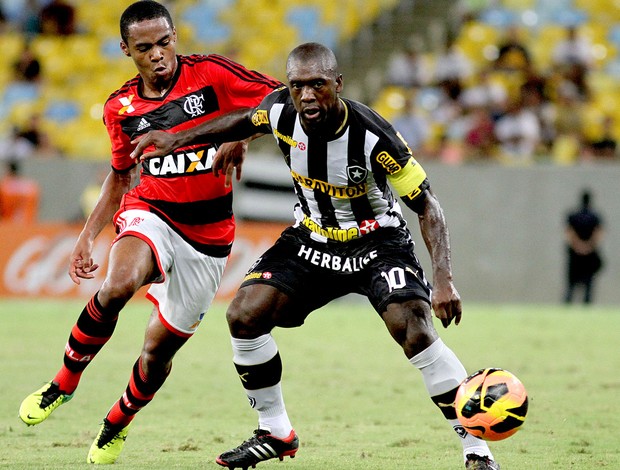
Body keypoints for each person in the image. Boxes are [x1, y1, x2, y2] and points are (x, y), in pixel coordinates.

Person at [133, 42, 501, 470]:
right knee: (243, 315)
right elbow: (245, 118)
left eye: (317, 85)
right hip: (312, 240)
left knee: (415, 331)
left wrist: (444, 278)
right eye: (297, 86)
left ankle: (477, 450)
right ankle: (275, 432)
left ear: (338, 85)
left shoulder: (374, 135)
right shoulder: (281, 111)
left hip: (377, 243)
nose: (306, 95)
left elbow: (428, 206)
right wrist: (183, 138)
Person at [18, 0, 280, 465]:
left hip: (209, 234)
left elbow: (279, 98)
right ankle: (64, 383)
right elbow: (121, 176)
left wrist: (241, 135)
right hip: (151, 210)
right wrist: (87, 234)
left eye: (165, 42)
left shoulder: (212, 75)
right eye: (145, 47)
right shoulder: (120, 107)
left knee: (157, 351)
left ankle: (116, 422)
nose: (158, 54)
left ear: (175, 36)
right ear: (126, 50)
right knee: (116, 285)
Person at [564, 190, 605, 304]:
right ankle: (586, 304)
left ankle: (568, 304)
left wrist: (578, 246)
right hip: (590, 254)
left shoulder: (573, 215)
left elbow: (568, 233)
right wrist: (588, 246)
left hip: (575, 254)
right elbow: (599, 233)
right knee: (588, 283)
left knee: (571, 282)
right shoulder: (595, 216)